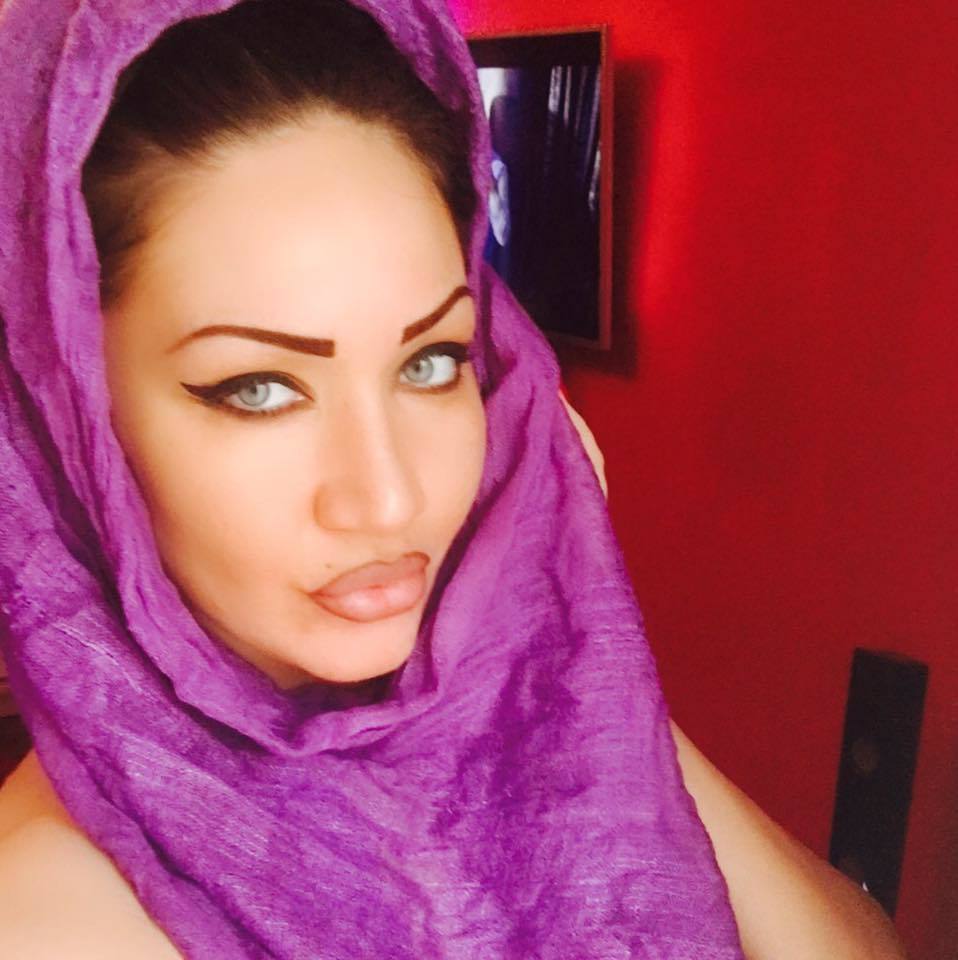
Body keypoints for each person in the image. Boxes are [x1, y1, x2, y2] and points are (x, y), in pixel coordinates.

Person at [0, 0, 907, 957]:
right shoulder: (56, 919)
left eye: (430, 363)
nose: (390, 498)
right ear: (64, 421)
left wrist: (572, 649)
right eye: (258, 389)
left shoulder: (497, 705)